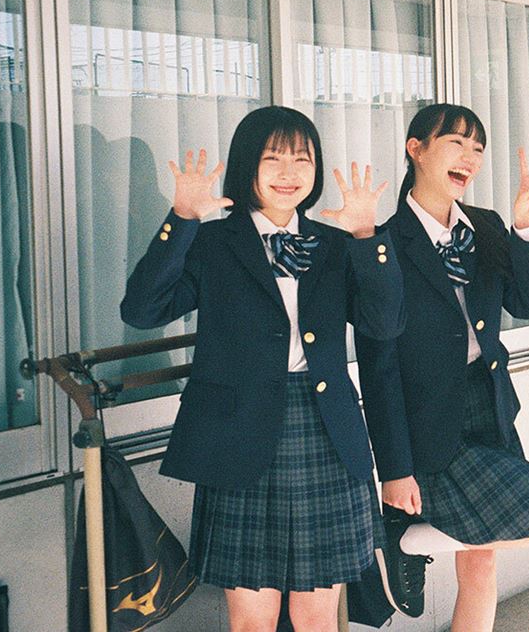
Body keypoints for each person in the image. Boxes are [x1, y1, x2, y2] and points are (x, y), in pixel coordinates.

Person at [120, 106, 404, 632]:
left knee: (316, 616)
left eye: (302, 158)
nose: (288, 172)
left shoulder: (335, 243)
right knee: (254, 619)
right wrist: (181, 218)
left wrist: (368, 237)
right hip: (238, 436)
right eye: (273, 158)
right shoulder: (212, 241)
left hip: (325, 431)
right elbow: (141, 311)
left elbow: (384, 324)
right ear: (247, 165)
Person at [357, 103, 529, 632]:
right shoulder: (384, 242)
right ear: (416, 149)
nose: (470, 158)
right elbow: (378, 368)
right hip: (427, 420)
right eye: (456, 143)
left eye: (477, 148)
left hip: (489, 402)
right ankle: (402, 534)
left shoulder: (486, 226)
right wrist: (394, 469)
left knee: (481, 562)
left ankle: (406, 537)